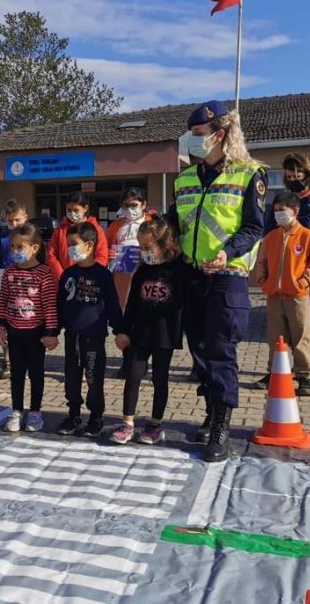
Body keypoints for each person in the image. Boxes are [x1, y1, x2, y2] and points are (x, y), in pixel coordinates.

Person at [168, 100, 265, 462]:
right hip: (191, 276)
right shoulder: (185, 179)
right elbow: (174, 223)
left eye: (198, 135)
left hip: (227, 276)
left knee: (222, 351)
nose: (192, 142)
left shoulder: (248, 174)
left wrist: (228, 252)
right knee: (200, 351)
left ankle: (221, 428)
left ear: (219, 135)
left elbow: (254, 226)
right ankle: (210, 414)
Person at [112, 216, 189, 445]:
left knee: (160, 379)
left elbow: (187, 304)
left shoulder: (179, 271)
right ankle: (127, 422)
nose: (143, 251)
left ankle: (156, 424)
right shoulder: (142, 271)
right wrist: (123, 331)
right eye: (140, 246)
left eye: (147, 247)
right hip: (140, 334)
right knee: (133, 376)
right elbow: (131, 304)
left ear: (164, 244)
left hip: (164, 335)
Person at [262, 153, 310, 381]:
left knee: (309, 314)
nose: (293, 179)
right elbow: (269, 227)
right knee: (279, 323)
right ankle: (280, 366)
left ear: (307, 174)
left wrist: (291, 217)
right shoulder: (284, 200)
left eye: (297, 175)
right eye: (289, 176)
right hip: (285, 263)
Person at [257, 191, 310, 396]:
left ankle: (304, 376)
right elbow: (261, 262)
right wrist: (264, 280)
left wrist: (304, 280)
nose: (278, 214)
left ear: (295, 211)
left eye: (282, 211)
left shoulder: (308, 236)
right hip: (274, 296)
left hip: (298, 296)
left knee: (301, 337)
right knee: (275, 338)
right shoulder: (271, 237)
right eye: (275, 211)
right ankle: (274, 373)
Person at [56, 222, 122, 438]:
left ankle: (96, 417)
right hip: (72, 336)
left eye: (74, 244)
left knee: (94, 378)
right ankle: (74, 414)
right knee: (71, 378)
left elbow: (113, 305)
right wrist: (52, 331)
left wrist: (120, 330)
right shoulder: (68, 275)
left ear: (89, 245)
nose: (70, 249)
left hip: (94, 337)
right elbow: (59, 305)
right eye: (67, 245)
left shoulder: (102, 275)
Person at [0, 223, 58, 433]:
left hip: (36, 333)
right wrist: (1, 325)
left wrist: (50, 332)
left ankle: (35, 412)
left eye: (20, 247)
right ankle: (16, 410)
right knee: (17, 372)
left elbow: (50, 305)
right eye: (13, 247)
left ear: (35, 248)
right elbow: (3, 298)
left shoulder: (44, 274)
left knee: (36, 373)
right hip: (14, 332)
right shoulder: (9, 272)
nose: (15, 251)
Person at [106, 187, 154, 378]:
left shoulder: (153, 224)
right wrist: (110, 254)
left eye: (134, 205)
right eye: (126, 205)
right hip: (122, 280)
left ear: (143, 205)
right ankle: (127, 362)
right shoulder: (116, 226)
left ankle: (143, 363)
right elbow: (105, 248)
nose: (130, 209)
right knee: (124, 319)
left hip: (146, 278)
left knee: (144, 319)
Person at [0, 199, 30, 380]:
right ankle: (6, 359)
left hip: (26, 287)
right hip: (4, 285)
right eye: (10, 220)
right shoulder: (1, 238)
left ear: (25, 218)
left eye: (17, 220)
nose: (13, 224)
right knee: (5, 322)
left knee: (26, 322)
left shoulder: (32, 237)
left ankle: (25, 360)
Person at [46, 192, 109, 280]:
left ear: (85, 208)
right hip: (64, 280)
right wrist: (62, 276)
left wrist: (88, 275)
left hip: (88, 281)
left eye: (76, 210)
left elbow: (102, 256)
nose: (72, 213)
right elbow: (51, 255)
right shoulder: (59, 230)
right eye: (69, 210)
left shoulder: (96, 230)